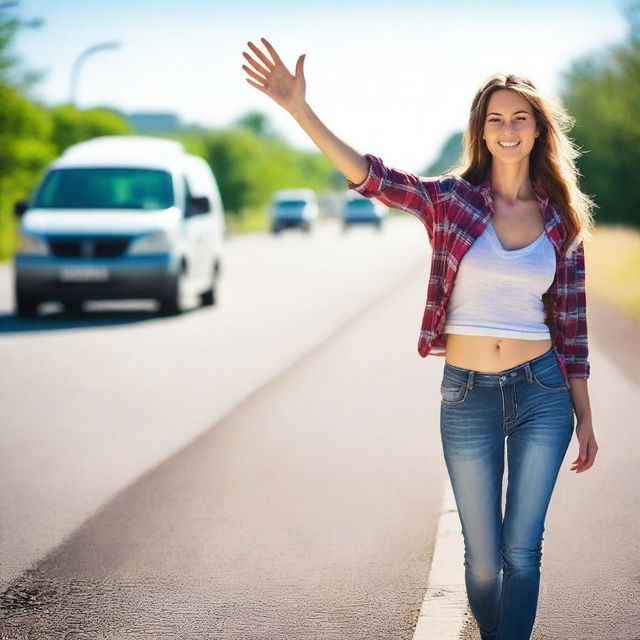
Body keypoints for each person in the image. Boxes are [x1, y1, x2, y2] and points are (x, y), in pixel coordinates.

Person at [241, 37, 599, 640]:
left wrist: (585, 417)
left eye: (519, 119)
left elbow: (572, 328)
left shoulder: (561, 218)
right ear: (481, 132)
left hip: (543, 392)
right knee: (483, 564)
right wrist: (300, 111)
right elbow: (372, 178)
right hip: (467, 397)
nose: (507, 130)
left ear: (538, 131)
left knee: (523, 553)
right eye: (495, 120)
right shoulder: (450, 200)